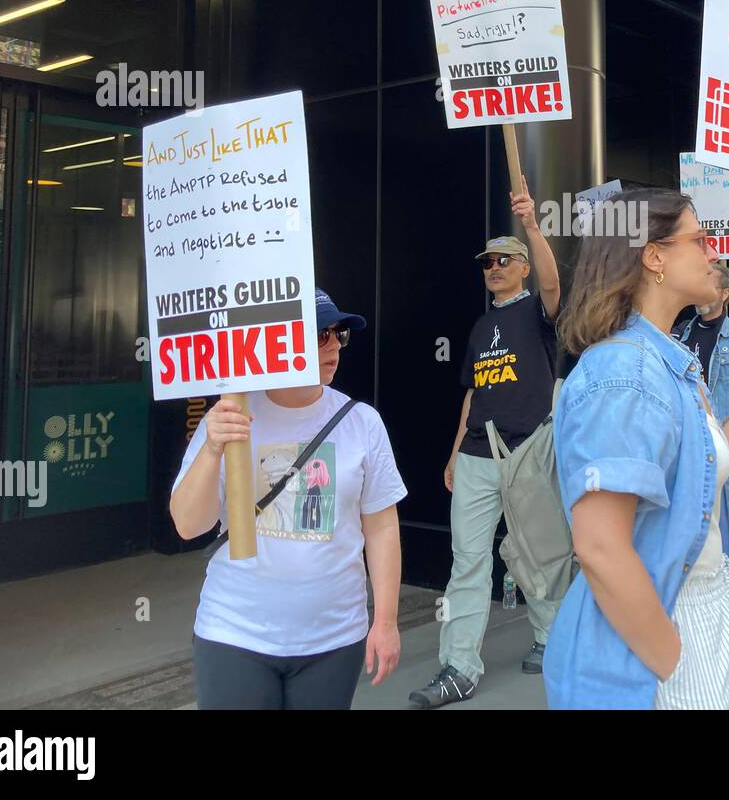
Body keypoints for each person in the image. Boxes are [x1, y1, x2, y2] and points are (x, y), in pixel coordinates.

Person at [545, 189, 729, 709]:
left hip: (695, 610)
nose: (714, 253)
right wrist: (669, 654)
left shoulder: (665, 360)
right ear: (653, 256)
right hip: (657, 629)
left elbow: (695, 476)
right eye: (701, 240)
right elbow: (600, 547)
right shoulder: (625, 373)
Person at [170, 289, 406, 710]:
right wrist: (211, 449)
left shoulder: (363, 423)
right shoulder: (232, 415)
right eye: (320, 334)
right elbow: (189, 524)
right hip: (234, 632)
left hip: (333, 639)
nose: (334, 345)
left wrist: (385, 621)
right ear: (282, 342)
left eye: (338, 335)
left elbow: (382, 525)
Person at [410, 175, 563, 708]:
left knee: (537, 554)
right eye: (487, 263)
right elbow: (473, 395)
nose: (494, 268)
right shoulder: (478, 328)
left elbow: (551, 283)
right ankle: (458, 666)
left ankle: (551, 638)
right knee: (467, 561)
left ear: (521, 266)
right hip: (478, 453)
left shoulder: (539, 313)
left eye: (503, 260)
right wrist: (454, 452)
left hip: (529, 450)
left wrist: (531, 226)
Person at [676, 261, 729, 420]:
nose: (700, 293)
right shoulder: (679, 335)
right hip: (684, 432)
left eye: (707, 287)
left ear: (725, 293)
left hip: (720, 436)